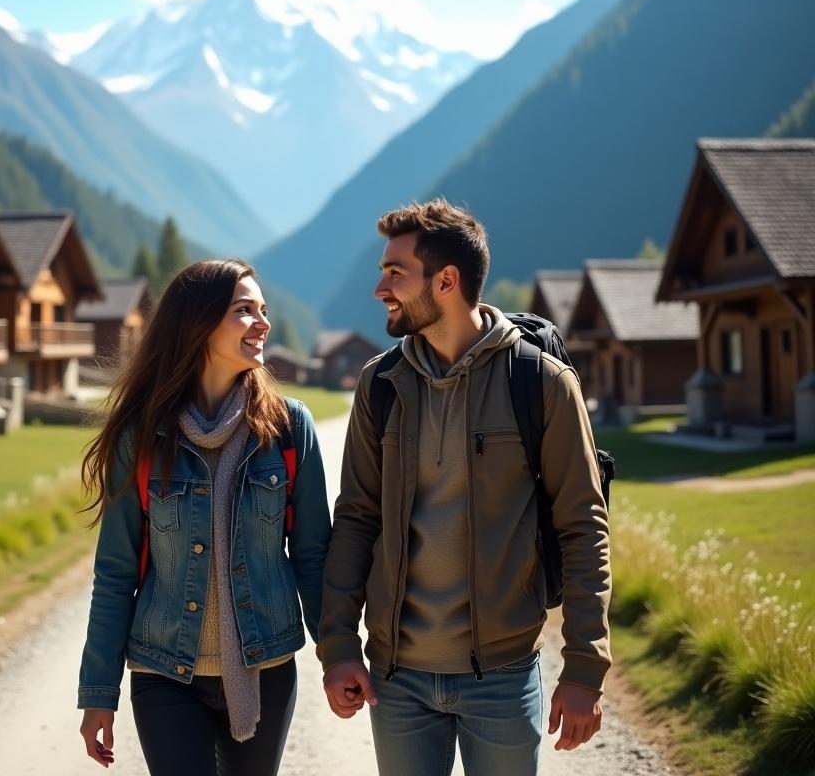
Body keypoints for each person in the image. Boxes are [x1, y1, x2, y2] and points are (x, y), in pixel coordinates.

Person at [318, 199, 611, 776]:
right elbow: (356, 519)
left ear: (447, 281)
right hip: (396, 680)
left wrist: (583, 670)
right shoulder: (380, 385)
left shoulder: (540, 382)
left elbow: (583, 527)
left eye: (395, 273)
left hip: (503, 678)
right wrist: (338, 647)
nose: (381, 288)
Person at [77, 259, 331, 775]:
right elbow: (116, 572)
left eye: (263, 311)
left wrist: (340, 652)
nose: (262, 323)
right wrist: (99, 692)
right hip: (164, 670)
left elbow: (312, 556)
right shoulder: (142, 437)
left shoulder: (288, 429)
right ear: (198, 323)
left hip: (267, 667)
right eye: (244, 311)